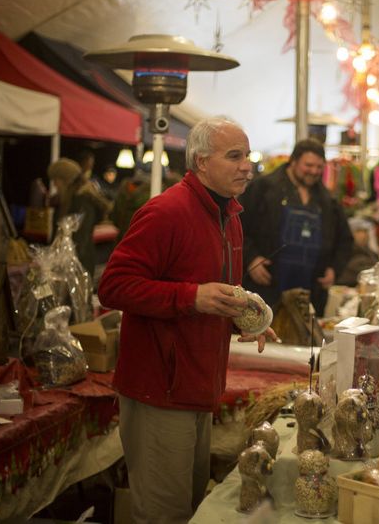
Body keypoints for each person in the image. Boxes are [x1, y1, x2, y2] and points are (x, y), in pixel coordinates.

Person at [97, 118, 278, 524]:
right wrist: (191, 297)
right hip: (160, 390)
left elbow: (219, 293)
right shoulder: (166, 211)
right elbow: (113, 286)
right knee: (166, 515)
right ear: (200, 161)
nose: (247, 166)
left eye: (247, 155)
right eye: (234, 156)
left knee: (191, 509)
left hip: (198, 387)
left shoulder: (230, 216)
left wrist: (243, 319)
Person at [240, 138, 353, 315]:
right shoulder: (263, 188)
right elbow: (237, 227)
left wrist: (334, 269)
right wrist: (251, 258)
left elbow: (345, 240)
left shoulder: (328, 200)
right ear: (293, 161)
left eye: (319, 167)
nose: (314, 171)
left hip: (310, 293)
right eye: (308, 165)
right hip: (267, 287)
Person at [47, 157, 111, 277]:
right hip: (72, 263)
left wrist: (68, 264)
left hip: (79, 265)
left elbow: (82, 238)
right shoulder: (70, 199)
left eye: (56, 180)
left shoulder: (82, 201)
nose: (54, 185)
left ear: (65, 180)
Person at [335, 217, 379, 287]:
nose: (365, 235)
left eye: (366, 231)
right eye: (360, 231)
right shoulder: (347, 250)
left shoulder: (366, 249)